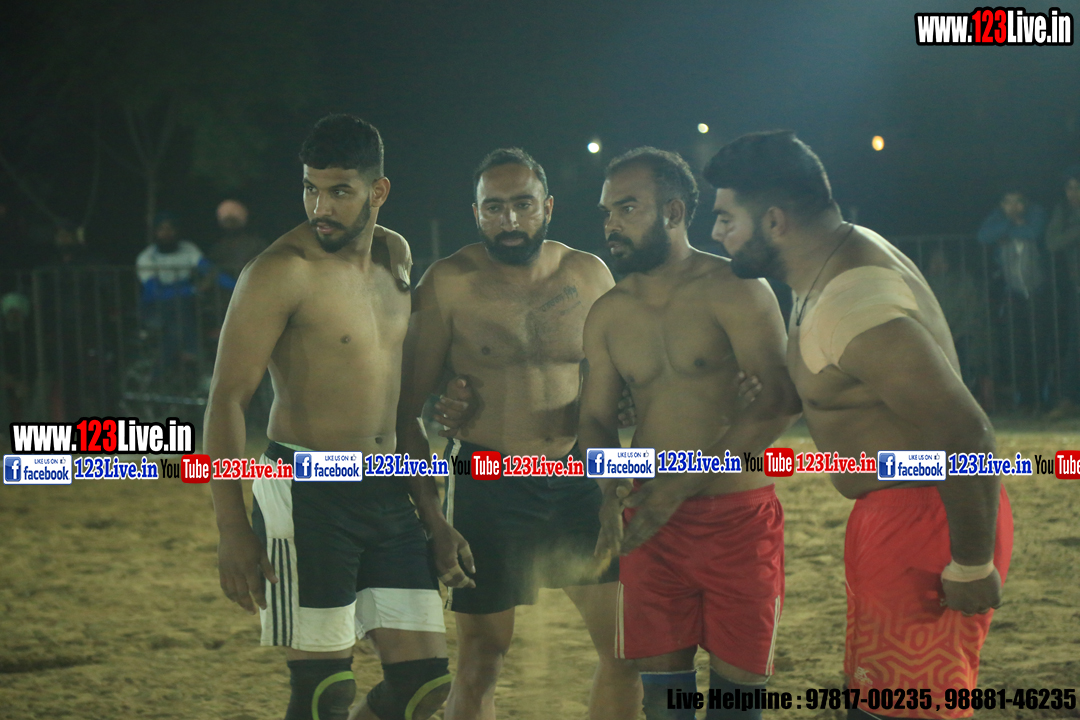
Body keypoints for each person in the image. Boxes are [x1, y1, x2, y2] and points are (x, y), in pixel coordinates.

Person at [708, 130, 1013, 720]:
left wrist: (972, 560)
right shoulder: (836, 262)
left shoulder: (853, 305)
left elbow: (967, 433)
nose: (717, 234)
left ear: (773, 221)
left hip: (926, 519)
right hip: (903, 516)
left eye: (725, 218)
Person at [204, 114, 455, 720]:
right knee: (324, 693)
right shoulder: (278, 271)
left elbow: (400, 405)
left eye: (340, 191)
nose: (321, 206)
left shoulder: (395, 254)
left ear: (378, 190)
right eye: (311, 188)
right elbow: (227, 399)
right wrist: (232, 528)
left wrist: (433, 516)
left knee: (423, 687)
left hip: (387, 490)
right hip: (306, 493)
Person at [396, 147, 642, 720]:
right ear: (476, 212)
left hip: (576, 475)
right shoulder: (449, 283)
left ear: (547, 207)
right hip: (488, 480)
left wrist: (619, 447)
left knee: (626, 649)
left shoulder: (588, 274)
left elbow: (619, 381)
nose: (509, 220)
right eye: (495, 208)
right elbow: (404, 410)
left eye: (523, 205)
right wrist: (433, 519)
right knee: (482, 659)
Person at [578, 147, 800, 720]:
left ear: (673, 212)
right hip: (651, 526)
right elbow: (595, 420)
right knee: (665, 706)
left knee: (735, 709)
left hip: (737, 522)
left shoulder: (735, 287)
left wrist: (679, 485)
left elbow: (780, 400)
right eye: (607, 212)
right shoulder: (608, 313)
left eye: (627, 208)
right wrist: (609, 487)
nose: (611, 224)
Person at [976, 188, 1050, 409]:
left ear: (1026, 203)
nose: (1013, 207)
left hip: (1039, 290)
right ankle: (1025, 399)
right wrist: (1011, 225)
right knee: (1016, 346)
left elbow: (1034, 232)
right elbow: (983, 236)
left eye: (1017, 202)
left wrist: (1006, 232)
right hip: (1013, 292)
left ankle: (1042, 397)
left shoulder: (1037, 213)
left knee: (1040, 344)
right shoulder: (999, 217)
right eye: (1007, 202)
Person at [1045, 164, 1080, 418]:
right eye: (1069, 188)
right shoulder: (1064, 212)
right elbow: (1052, 243)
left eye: (1077, 187)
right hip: (1077, 288)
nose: (1073, 193)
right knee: (1075, 344)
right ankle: (1069, 399)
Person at [210, 199, 268, 280]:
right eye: (227, 221)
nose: (230, 225)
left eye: (233, 221)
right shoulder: (218, 248)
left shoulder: (256, 245)